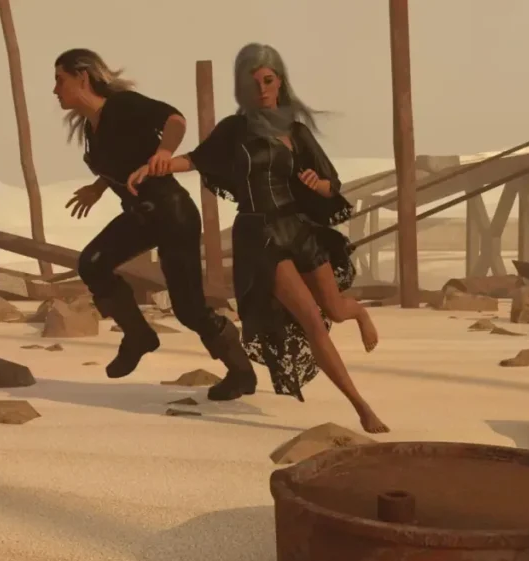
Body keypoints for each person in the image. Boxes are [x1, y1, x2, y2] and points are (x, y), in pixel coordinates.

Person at [127, 43, 388, 433]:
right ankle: (361, 407)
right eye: (254, 84)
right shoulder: (235, 130)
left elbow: (330, 184)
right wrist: (156, 167)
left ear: (280, 81)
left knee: (335, 309)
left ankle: (361, 313)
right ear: (242, 88)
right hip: (259, 235)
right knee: (313, 322)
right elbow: (196, 159)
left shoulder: (295, 132)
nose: (262, 90)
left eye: (268, 80)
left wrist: (317, 185)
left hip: (297, 228)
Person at [52, 48, 256, 392]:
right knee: (92, 263)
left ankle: (241, 372)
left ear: (82, 77)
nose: (55, 89)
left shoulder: (122, 105)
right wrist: (98, 188)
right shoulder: (91, 127)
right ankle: (138, 336)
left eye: (60, 80)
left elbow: (175, 119)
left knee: (189, 310)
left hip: (171, 213)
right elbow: (120, 160)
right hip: (142, 215)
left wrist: (164, 152)